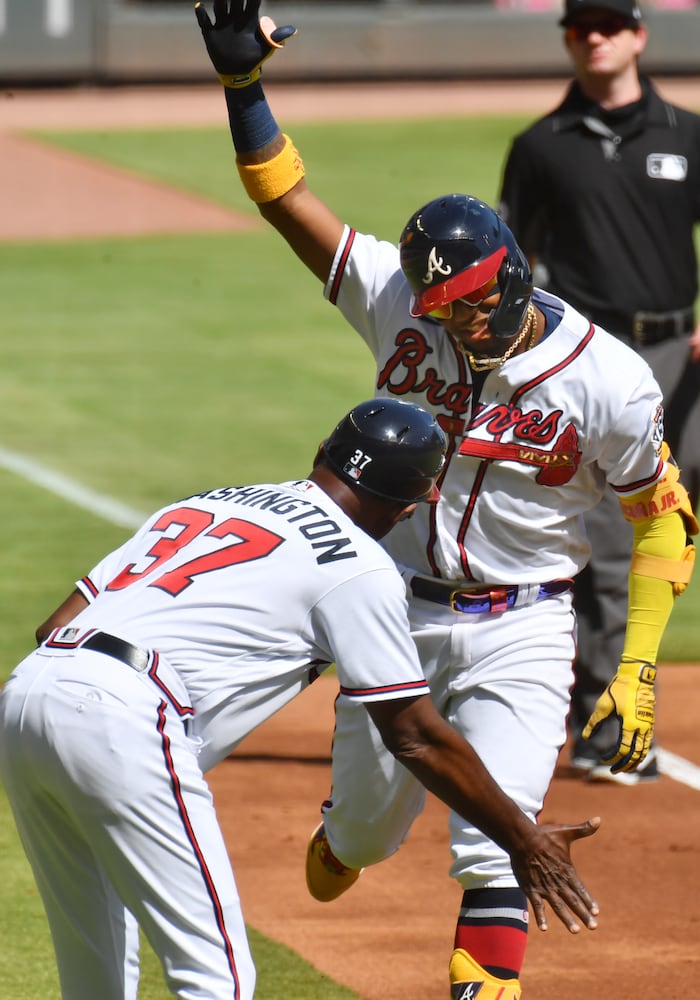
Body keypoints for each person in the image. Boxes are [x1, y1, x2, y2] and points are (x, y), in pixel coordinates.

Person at [193, 3, 698, 996]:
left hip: (528, 624)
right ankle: (347, 831)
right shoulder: (398, 303)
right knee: (368, 838)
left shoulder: (610, 380)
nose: (454, 323)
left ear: (509, 274)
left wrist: (635, 667)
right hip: (390, 611)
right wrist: (243, 88)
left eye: (471, 302)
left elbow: (660, 518)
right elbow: (287, 201)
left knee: (497, 845)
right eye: (440, 308)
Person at [0, 399, 604, 1000]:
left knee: (95, 975)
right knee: (217, 979)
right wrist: (523, 841)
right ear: (405, 509)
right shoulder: (358, 565)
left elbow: (54, 624)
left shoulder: (206, 501)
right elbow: (412, 734)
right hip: (123, 714)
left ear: (323, 454)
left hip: (29, 695)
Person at [497, 0, 700, 785]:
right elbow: (515, 265)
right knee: (602, 546)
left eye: (609, 24)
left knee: (668, 530)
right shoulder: (539, 146)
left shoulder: (691, 135)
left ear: (639, 34)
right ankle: (604, 725)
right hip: (587, 365)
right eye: (579, 27)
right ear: (568, 39)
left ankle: (620, 699)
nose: (594, 37)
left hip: (675, 354)